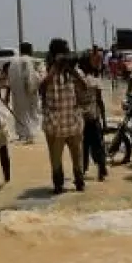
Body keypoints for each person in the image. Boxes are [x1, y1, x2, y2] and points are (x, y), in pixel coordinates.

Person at [40, 38, 86, 193]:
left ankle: (80, 182)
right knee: (55, 160)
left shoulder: (73, 70)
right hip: (55, 126)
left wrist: (70, 69)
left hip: (73, 123)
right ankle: (58, 185)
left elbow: (84, 86)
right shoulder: (45, 70)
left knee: (77, 157)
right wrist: (54, 68)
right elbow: (41, 87)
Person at [77, 52, 108, 182]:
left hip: (81, 119)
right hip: (93, 118)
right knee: (98, 146)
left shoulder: (76, 81)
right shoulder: (95, 80)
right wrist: (104, 120)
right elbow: (100, 102)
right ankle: (101, 170)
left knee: (83, 147)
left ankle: (82, 172)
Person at [5, 41, 42, 142]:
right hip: (29, 91)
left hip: (16, 93)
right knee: (31, 112)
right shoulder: (31, 61)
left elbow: (9, 79)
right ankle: (30, 134)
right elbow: (32, 77)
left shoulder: (13, 62)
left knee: (20, 112)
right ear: (29, 50)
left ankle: (22, 133)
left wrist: (7, 95)